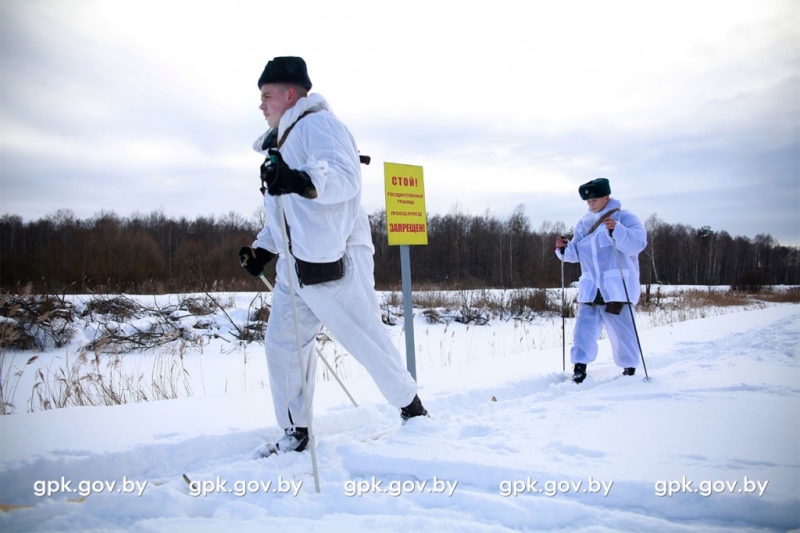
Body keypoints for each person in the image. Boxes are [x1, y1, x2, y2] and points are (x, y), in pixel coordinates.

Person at [239, 56, 427, 455]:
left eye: (267, 95)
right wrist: (262, 250)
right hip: (296, 266)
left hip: (334, 259)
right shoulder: (279, 144)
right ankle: (296, 431)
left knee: (364, 338)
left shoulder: (319, 124)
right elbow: (285, 214)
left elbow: (344, 177)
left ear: (291, 94)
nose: (261, 105)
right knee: (283, 347)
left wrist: (297, 180)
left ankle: (413, 410)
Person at [555, 178, 647, 384]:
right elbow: (577, 253)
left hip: (617, 287)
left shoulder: (625, 217)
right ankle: (579, 367)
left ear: (607, 197)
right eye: (588, 201)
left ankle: (629, 368)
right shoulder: (583, 223)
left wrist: (618, 231)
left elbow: (638, 244)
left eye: (595, 199)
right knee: (583, 328)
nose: (591, 204)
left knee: (622, 330)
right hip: (591, 287)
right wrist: (564, 248)